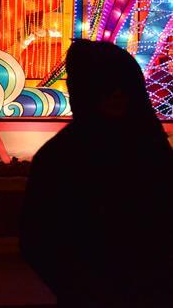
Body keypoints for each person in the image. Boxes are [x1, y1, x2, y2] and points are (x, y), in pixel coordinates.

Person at [20, 40, 173, 307]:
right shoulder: (63, 156)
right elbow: (38, 237)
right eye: (103, 86)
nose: (116, 94)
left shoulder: (148, 144)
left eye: (123, 86)